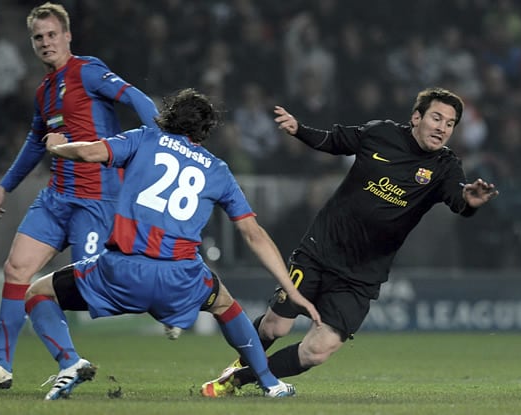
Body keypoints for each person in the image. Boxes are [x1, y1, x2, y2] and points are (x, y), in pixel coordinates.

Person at [23, 88, 321, 400]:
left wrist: (58, 147)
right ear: (205, 130)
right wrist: (291, 289)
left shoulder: (145, 139)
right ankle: (270, 383)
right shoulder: (217, 170)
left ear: (168, 117)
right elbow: (254, 234)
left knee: (38, 293)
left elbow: (88, 153)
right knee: (225, 305)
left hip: (122, 271)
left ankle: (68, 361)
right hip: (181, 279)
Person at [201, 87, 499, 397]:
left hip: (362, 274)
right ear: (416, 117)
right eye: (436, 118)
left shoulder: (445, 166)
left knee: (318, 350)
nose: (442, 128)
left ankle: (239, 379)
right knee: (275, 327)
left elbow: (457, 197)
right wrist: (299, 130)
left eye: (450, 124)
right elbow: (335, 141)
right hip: (320, 249)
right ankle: (241, 362)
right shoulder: (381, 133)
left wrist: (469, 200)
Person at [0, 2, 158, 389]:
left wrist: (162, 141)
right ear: (33, 44)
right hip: (56, 198)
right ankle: (11, 365)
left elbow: (138, 99)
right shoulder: (44, 91)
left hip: (96, 200)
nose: (46, 42)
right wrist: (5, 186)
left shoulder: (89, 71)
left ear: (67, 35)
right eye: (39, 37)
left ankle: (161, 294)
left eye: (52, 34)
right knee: (16, 269)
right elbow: (36, 143)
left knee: (87, 287)